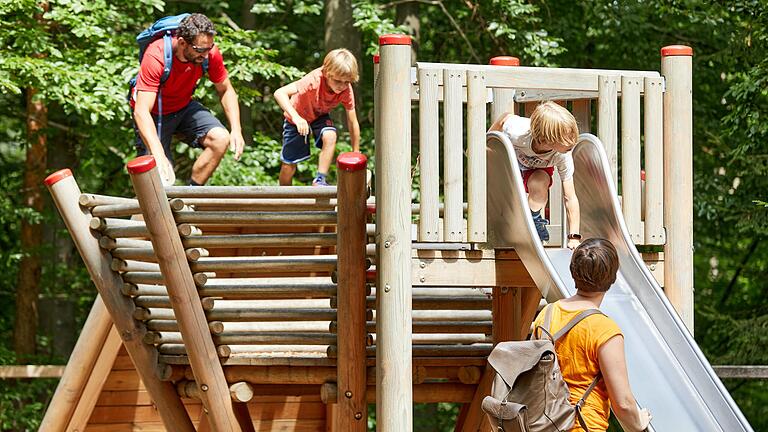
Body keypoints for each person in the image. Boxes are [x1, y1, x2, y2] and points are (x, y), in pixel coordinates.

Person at [532, 238, 652, 432]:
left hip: (544, 424)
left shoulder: (547, 314)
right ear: (612, 278)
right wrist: (638, 422)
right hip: (582, 425)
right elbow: (622, 403)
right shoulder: (604, 330)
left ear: (573, 271)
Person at [131, 13, 244, 186]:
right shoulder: (156, 54)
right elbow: (141, 110)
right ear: (182, 42)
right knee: (158, 177)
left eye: (209, 48)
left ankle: (191, 197)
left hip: (183, 106)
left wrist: (236, 129)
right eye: (200, 50)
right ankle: (141, 213)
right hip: (154, 113)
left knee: (221, 139)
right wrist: (158, 153)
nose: (206, 55)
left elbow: (226, 89)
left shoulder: (209, 52)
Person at [489, 101, 581, 249]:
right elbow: (504, 118)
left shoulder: (562, 155)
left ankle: (534, 220)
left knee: (539, 182)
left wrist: (574, 236)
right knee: (506, 192)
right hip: (511, 165)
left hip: (537, 172)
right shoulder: (518, 131)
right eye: (566, 139)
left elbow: (570, 197)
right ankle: (510, 223)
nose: (572, 142)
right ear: (545, 139)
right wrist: (485, 145)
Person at [273, 48, 360, 186]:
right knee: (289, 167)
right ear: (327, 73)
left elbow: (352, 120)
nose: (342, 86)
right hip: (297, 117)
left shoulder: (345, 89)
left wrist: (356, 151)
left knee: (330, 136)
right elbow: (279, 93)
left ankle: (320, 179)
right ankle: (284, 198)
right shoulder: (313, 80)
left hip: (319, 116)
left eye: (346, 82)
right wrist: (296, 117)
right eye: (338, 81)